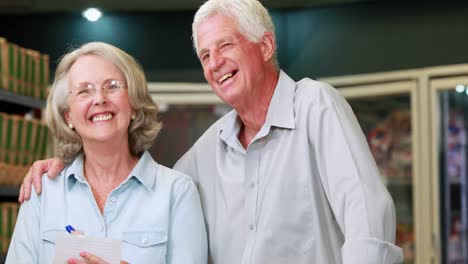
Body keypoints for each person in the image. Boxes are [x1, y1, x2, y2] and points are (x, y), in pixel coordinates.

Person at [19, 0, 404, 263]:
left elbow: (369, 218)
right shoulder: (206, 153)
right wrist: (69, 163)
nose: (215, 62)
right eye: (205, 55)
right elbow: (140, 178)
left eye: (225, 45)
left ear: (266, 45)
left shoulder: (315, 106)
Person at [8, 42, 207, 264]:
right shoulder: (42, 192)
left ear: (133, 104)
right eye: (85, 90)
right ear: (68, 117)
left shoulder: (177, 193)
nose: (99, 99)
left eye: (112, 86)